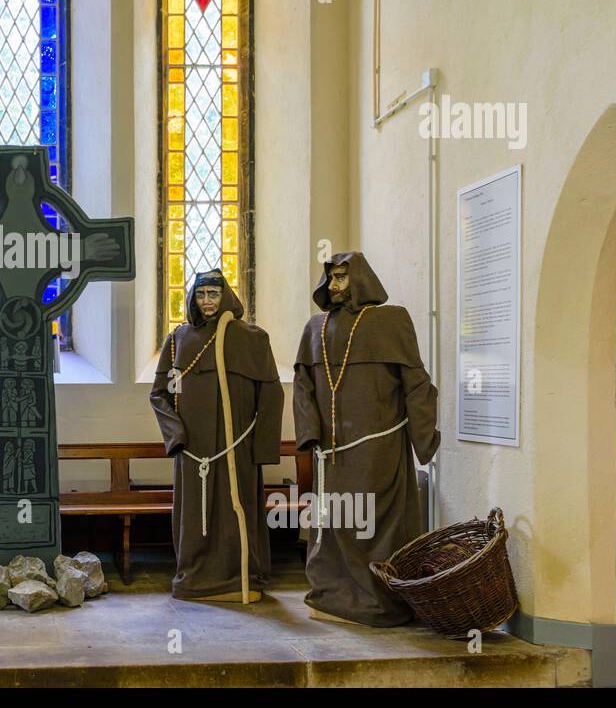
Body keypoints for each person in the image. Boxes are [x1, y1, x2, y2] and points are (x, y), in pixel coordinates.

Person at [293, 251, 440, 626]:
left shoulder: (391, 321)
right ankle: (333, 595)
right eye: (332, 278)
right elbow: (303, 388)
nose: (336, 285)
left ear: (360, 279)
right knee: (335, 523)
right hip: (332, 453)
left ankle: (380, 599)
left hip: (379, 449)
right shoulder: (316, 328)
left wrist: (425, 438)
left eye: (343, 277)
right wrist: (310, 435)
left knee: (377, 526)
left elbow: (416, 383)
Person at [150, 269, 283, 601]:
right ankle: (196, 577)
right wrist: (176, 436)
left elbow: (271, 394)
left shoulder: (252, 338)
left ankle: (240, 576)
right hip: (193, 449)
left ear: (225, 296)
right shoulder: (179, 340)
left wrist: (262, 448)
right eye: (200, 294)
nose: (207, 301)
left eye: (213, 293)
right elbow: (160, 394)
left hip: (237, 447)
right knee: (197, 516)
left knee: (236, 512)